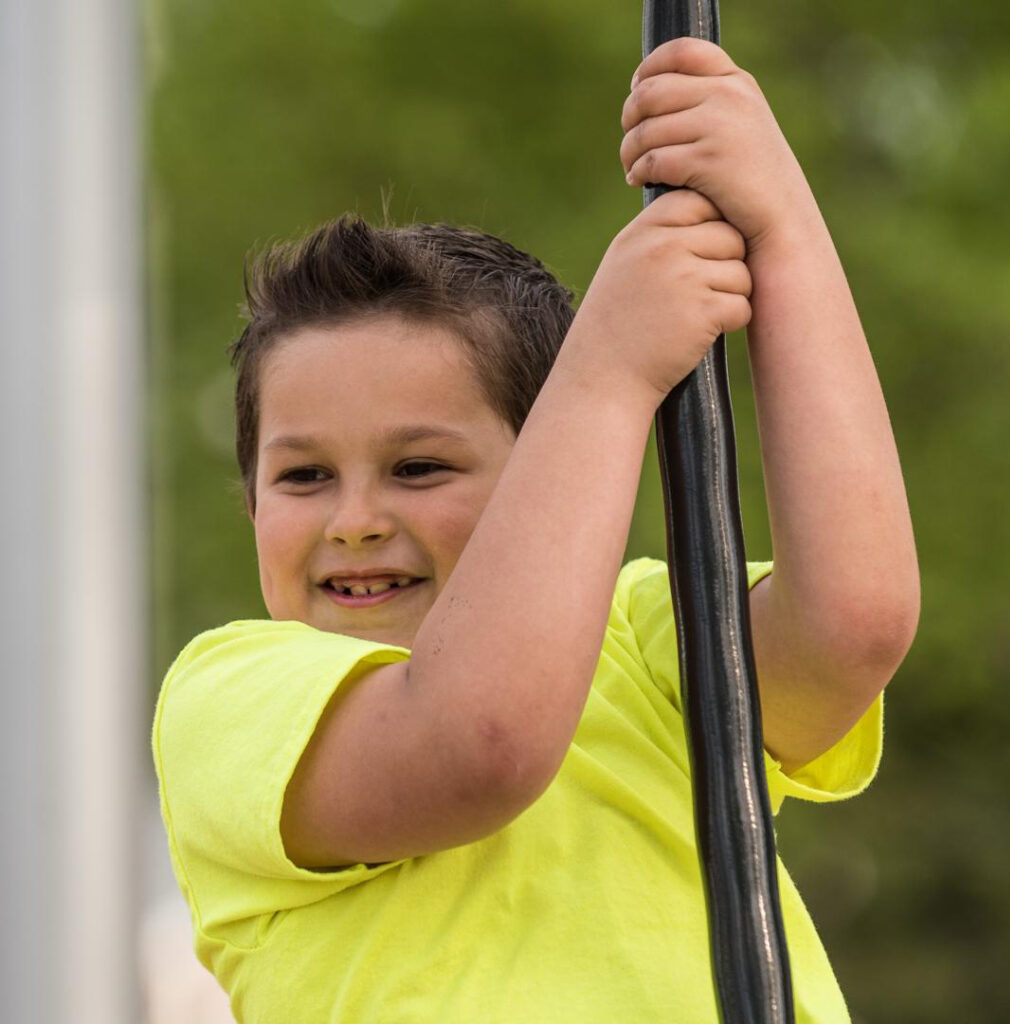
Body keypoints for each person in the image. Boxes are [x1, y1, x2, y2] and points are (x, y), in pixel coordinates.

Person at [152, 37, 919, 1022]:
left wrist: (780, 228)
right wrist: (607, 372)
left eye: (417, 467)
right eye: (303, 476)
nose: (353, 521)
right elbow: (479, 743)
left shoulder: (641, 638)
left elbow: (851, 624)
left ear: (561, 474)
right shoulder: (231, 700)